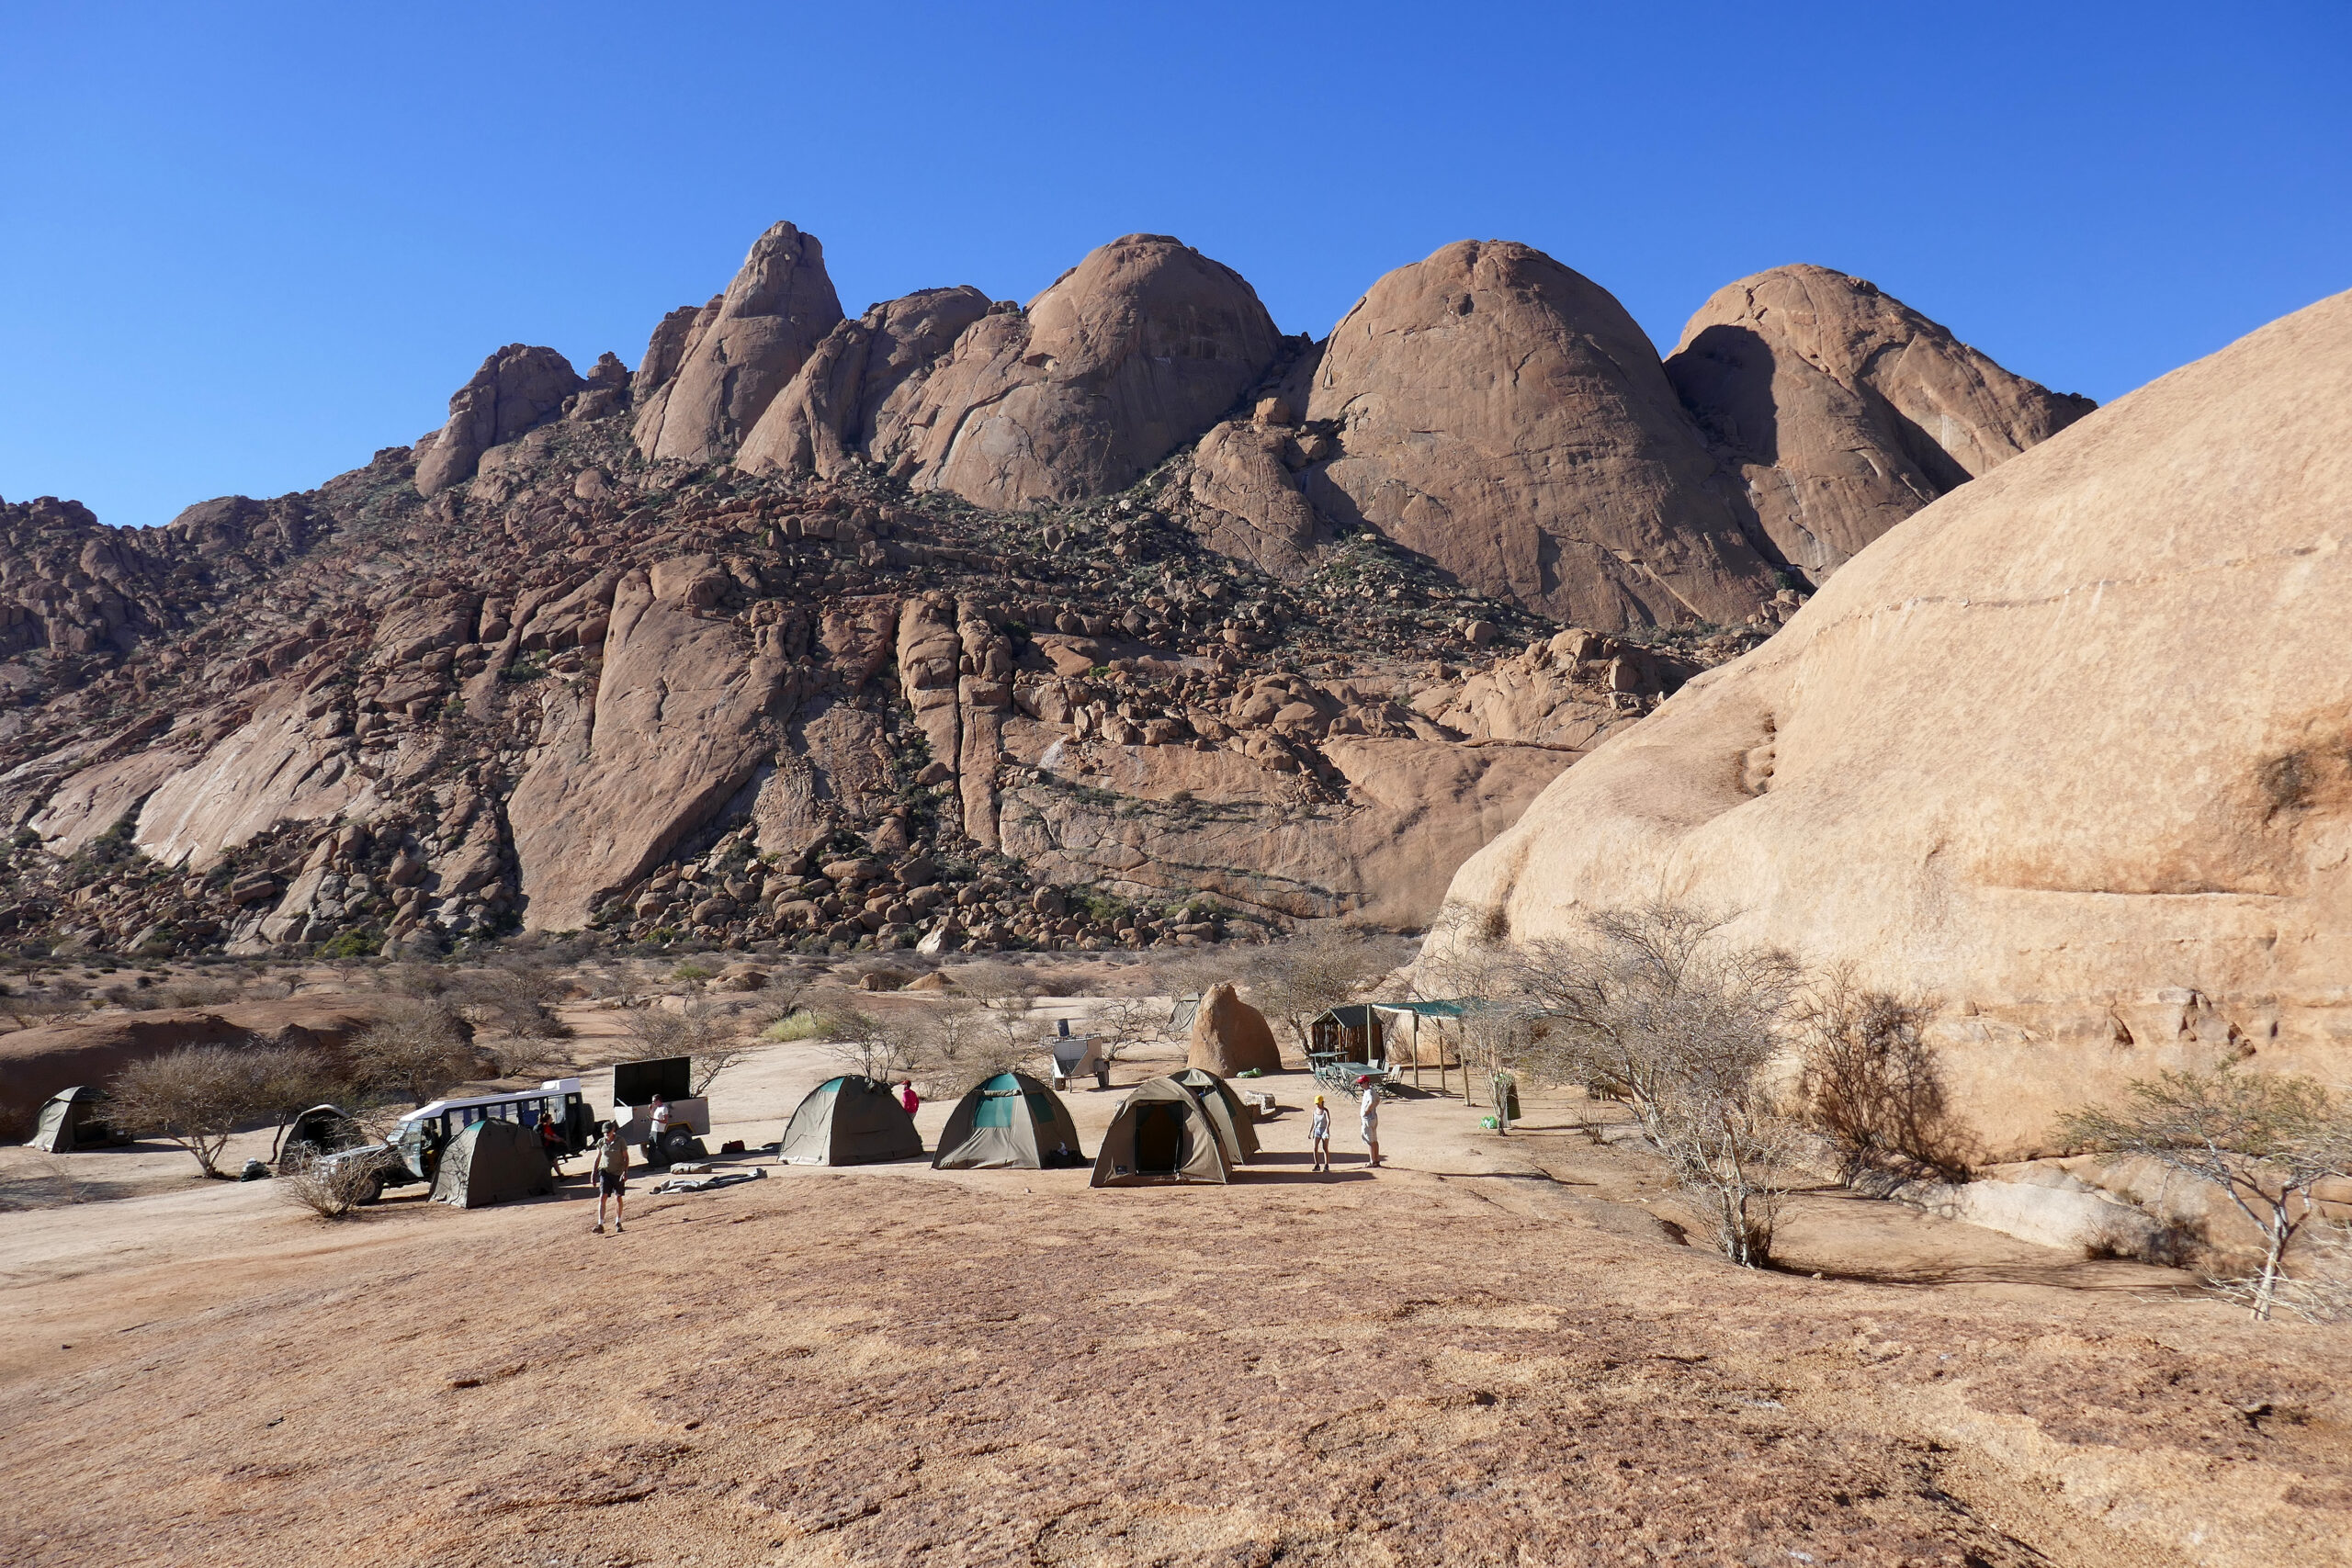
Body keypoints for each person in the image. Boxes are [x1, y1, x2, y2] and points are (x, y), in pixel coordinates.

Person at [592, 1123, 628, 1235]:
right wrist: (593, 1173)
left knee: (618, 1198)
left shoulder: (620, 1141)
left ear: (613, 1130)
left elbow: (626, 1157)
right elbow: (598, 1157)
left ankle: (618, 1222)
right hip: (605, 1172)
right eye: (605, 1132)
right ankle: (600, 1224)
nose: (607, 1134)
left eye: (608, 1131)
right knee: (603, 1197)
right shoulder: (601, 1142)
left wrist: (625, 1172)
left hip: (618, 1173)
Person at [1356, 1076, 1383, 1168]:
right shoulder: (1372, 1091)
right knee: (1374, 1140)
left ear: (1366, 1083)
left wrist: (1367, 1111)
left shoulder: (1369, 1092)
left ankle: (1372, 1161)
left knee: (1370, 1141)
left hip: (1368, 1119)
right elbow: (1378, 1100)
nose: (1360, 1085)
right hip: (1373, 1118)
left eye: (1361, 1083)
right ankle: (1376, 1160)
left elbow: (1372, 1101)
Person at [645, 1093, 673, 1163]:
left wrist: (655, 1120)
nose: (653, 1103)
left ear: (659, 1100)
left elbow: (665, 1121)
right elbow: (654, 1117)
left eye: (654, 1101)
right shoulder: (657, 1108)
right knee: (651, 1148)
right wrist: (651, 1110)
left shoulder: (664, 1108)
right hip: (653, 1130)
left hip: (659, 1131)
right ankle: (651, 1164)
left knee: (661, 1148)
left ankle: (671, 1161)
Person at [1308, 1093, 1331, 1173]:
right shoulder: (1314, 1111)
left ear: (1322, 1102)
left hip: (1324, 1130)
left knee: (1325, 1148)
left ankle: (1326, 1165)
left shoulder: (1325, 1111)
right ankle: (1317, 1164)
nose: (1317, 1105)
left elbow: (1328, 1121)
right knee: (1315, 1148)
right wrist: (1310, 1132)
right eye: (1316, 1103)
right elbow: (1313, 1122)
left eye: (1318, 1103)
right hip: (1317, 1130)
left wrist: (1326, 1129)